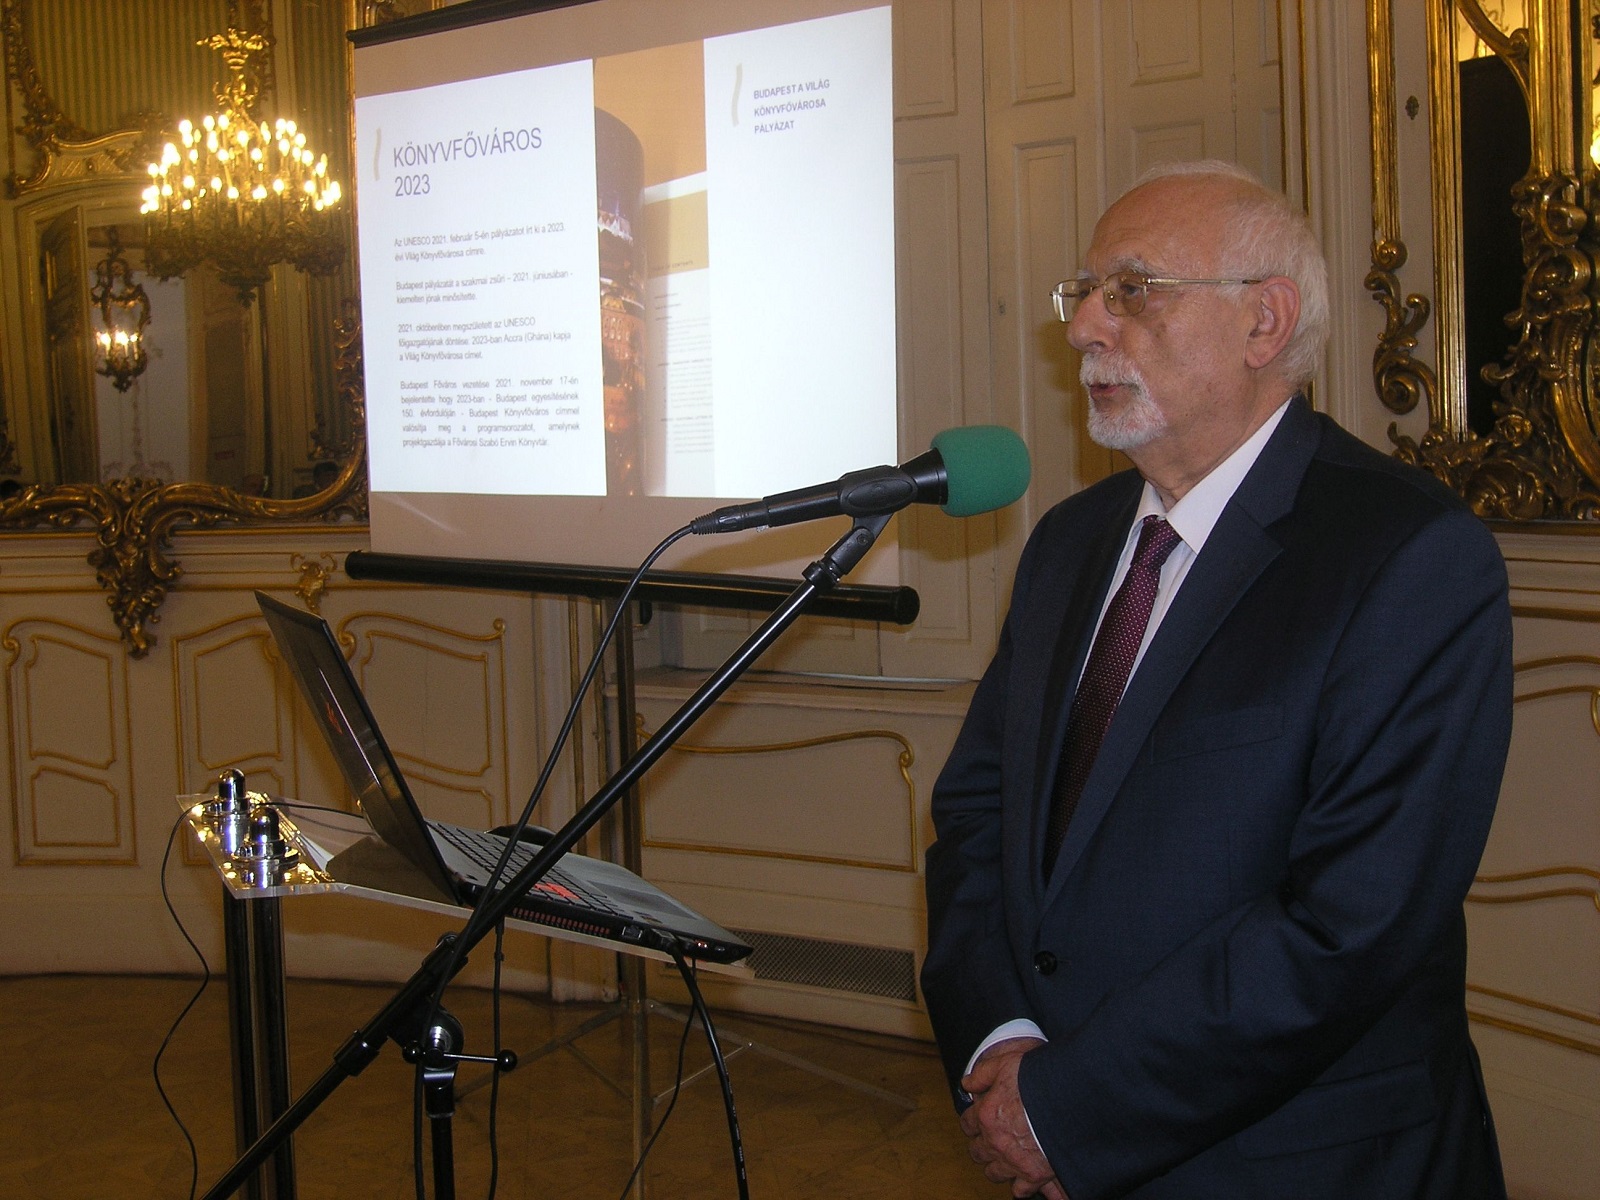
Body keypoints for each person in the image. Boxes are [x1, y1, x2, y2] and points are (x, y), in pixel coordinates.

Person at [920, 160, 1512, 1200]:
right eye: (1084, 292)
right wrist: (1000, 1038)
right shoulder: (1067, 544)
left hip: (1300, 1165)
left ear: (1262, 322)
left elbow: (1349, 924)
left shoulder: (1406, 553)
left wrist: (1068, 1109)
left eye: (1133, 289)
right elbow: (978, 812)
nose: (1085, 328)